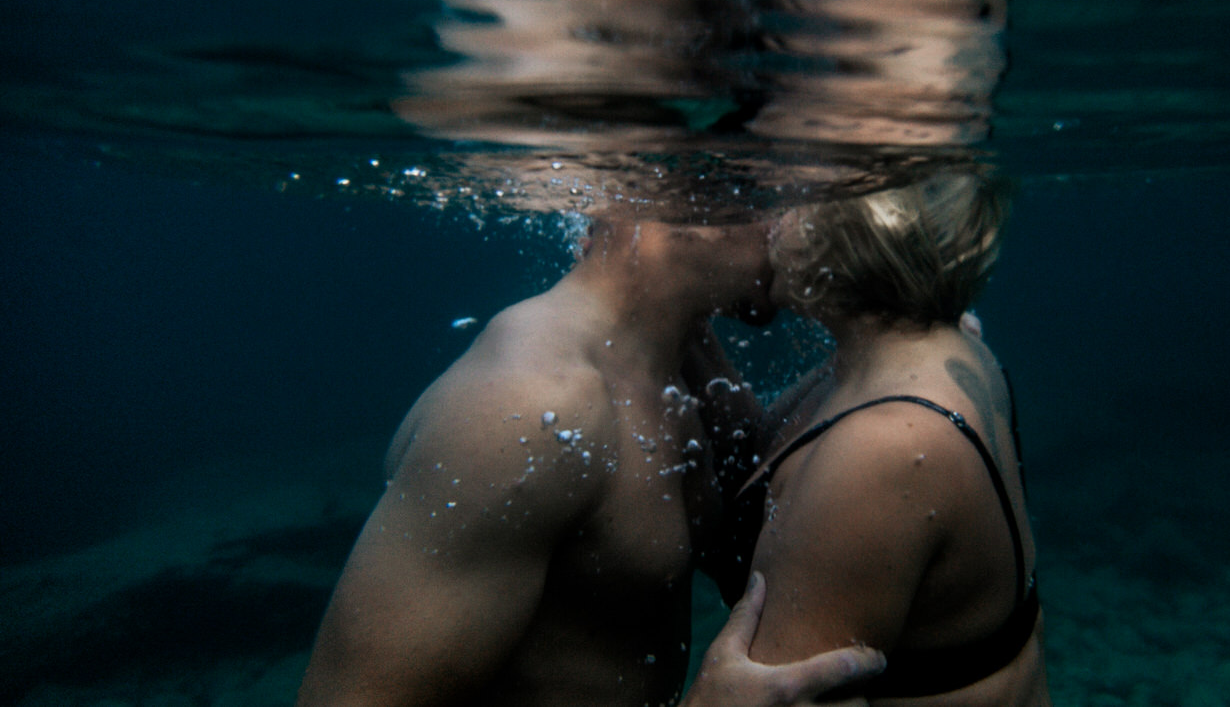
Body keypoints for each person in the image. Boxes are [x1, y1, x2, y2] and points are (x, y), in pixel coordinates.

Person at [297, 211, 883, 707]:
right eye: (786, 195)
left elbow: (752, 533)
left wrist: (888, 346)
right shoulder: (528, 409)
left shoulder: (679, 354)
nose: (809, 224)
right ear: (683, 197)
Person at [694, 169, 1052, 705]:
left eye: (794, 198)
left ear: (853, 232)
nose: (770, 218)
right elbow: (758, 465)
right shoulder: (929, 351)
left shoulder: (885, 448)